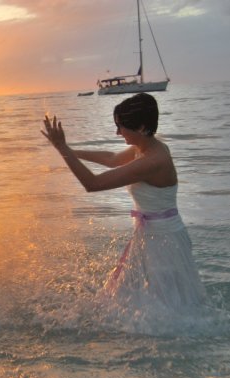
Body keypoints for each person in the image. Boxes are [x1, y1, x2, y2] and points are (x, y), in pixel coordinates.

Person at [41, 93, 206, 309]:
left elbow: (93, 183)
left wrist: (63, 149)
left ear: (141, 127)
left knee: (164, 305)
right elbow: (112, 159)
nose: (117, 132)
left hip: (163, 242)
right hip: (151, 235)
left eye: (121, 126)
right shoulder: (146, 147)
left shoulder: (154, 160)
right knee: (134, 300)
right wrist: (67, 150)